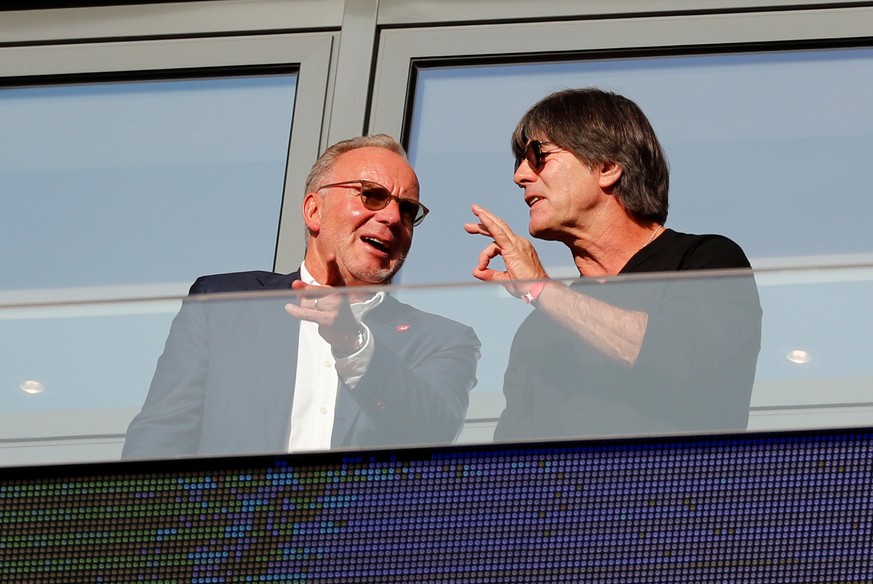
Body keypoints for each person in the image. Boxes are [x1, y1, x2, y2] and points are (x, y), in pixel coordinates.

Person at [123, 134, 480, 458]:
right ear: (314, 210)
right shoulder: (224, 304)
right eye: (371, 195)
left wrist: (354, 344)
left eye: (407, 210)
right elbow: (161, 436)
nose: (391, 217)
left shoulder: (443, 340)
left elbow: (432, 431)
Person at [465, 88, 762, 440]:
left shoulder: (704, 260)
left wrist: (540, 289)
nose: (521, 176)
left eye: (538, 155)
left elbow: (682, 359)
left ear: (607, 167)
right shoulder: (540, 329)